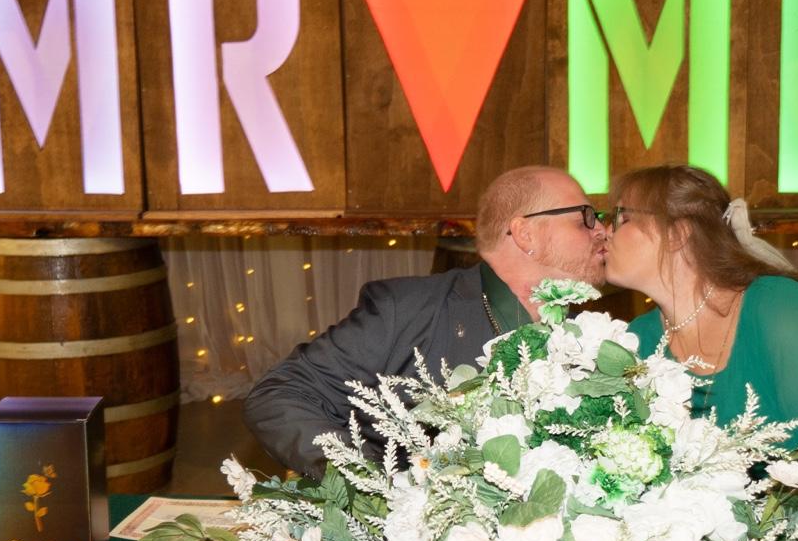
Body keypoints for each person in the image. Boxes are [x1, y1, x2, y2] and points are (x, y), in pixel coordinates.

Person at [245, 166, 608, 475]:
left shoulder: (594, 339)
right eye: (585, 218)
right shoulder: (408, 310)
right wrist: (372, 483)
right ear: (526, 233)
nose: (602, 231)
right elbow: (280, 394)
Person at [605, 163, 798, 478]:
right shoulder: (636, 340)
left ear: (677, 234)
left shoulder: (782, 310)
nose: (606, 231)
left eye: (622, 218)